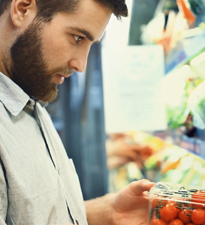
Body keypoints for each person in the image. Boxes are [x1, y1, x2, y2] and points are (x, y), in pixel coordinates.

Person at [0, 0, 155, 224]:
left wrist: (105, 212)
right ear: (22, 9)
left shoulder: (30, 97)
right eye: (77, 38)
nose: (81, 65)